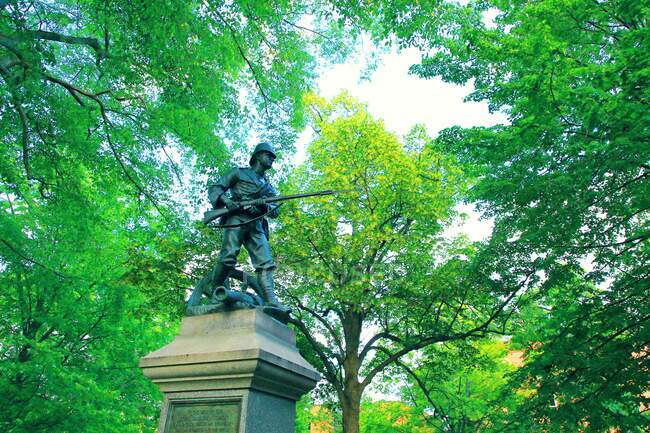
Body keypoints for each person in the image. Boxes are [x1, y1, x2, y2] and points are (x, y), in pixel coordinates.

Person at [187, 142, 288, 313]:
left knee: (265, 263)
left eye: (273, 157)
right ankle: (216, 288)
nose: (272, 158)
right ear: (257, 156)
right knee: (228, 256)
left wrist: (263, 207)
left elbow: (274, 211)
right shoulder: (238, 173)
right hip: (236, 219)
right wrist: (228, 202)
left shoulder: (268, 187)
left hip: (256, 225)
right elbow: (216, 188)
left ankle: (271, 301)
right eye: (268, 155)